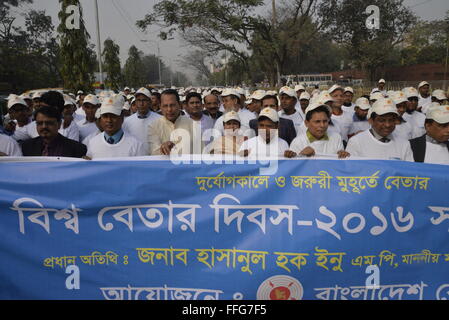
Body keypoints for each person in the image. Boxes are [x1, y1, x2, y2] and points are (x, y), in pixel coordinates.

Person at [346, 98, 413, 161]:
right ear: (371, 121)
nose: (387, 125)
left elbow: (409, 170)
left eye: (391, 120)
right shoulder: (356, 142)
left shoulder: (404, 144)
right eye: (382, 120)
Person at [21, 106, 87, 157]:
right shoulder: (27, 147)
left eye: (49, 123)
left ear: (59, 124)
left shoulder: (77, 149)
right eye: (40, 123)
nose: (44, 127)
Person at [148, 89, 195, 155]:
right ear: (160, 107)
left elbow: (201, 152)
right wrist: (163, 148)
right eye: (165, 106)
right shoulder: (154, 126)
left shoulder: (193, 125)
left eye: (172, 105)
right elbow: (154, 152)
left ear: (179, 105)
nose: (169, 109)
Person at [122, 87, 161, 154]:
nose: (141, 103)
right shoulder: (127, 122)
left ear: (149, 102)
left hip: (155, 159)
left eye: (144, 100)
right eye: (138, 100)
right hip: (136, 160)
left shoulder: (159, 120)